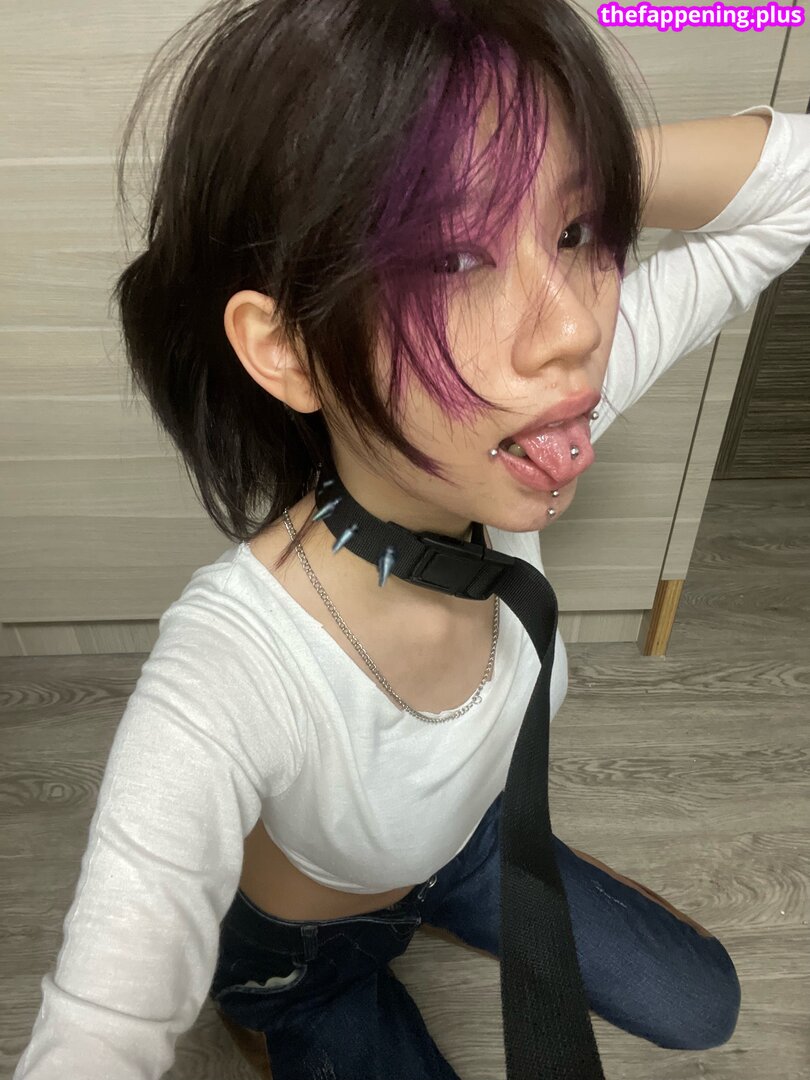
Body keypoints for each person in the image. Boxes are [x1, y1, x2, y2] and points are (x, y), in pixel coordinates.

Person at [13, 1, 810, 1078]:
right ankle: (267, 1009)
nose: (576, 328)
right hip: (303, 949)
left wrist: (551, 167)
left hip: (472, 849)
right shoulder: (227, 668)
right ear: (289, 350)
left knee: (704, 1005)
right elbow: (97, 1032)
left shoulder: (517, 421)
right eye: (453, 256)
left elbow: (797, 180)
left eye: (576, 234)